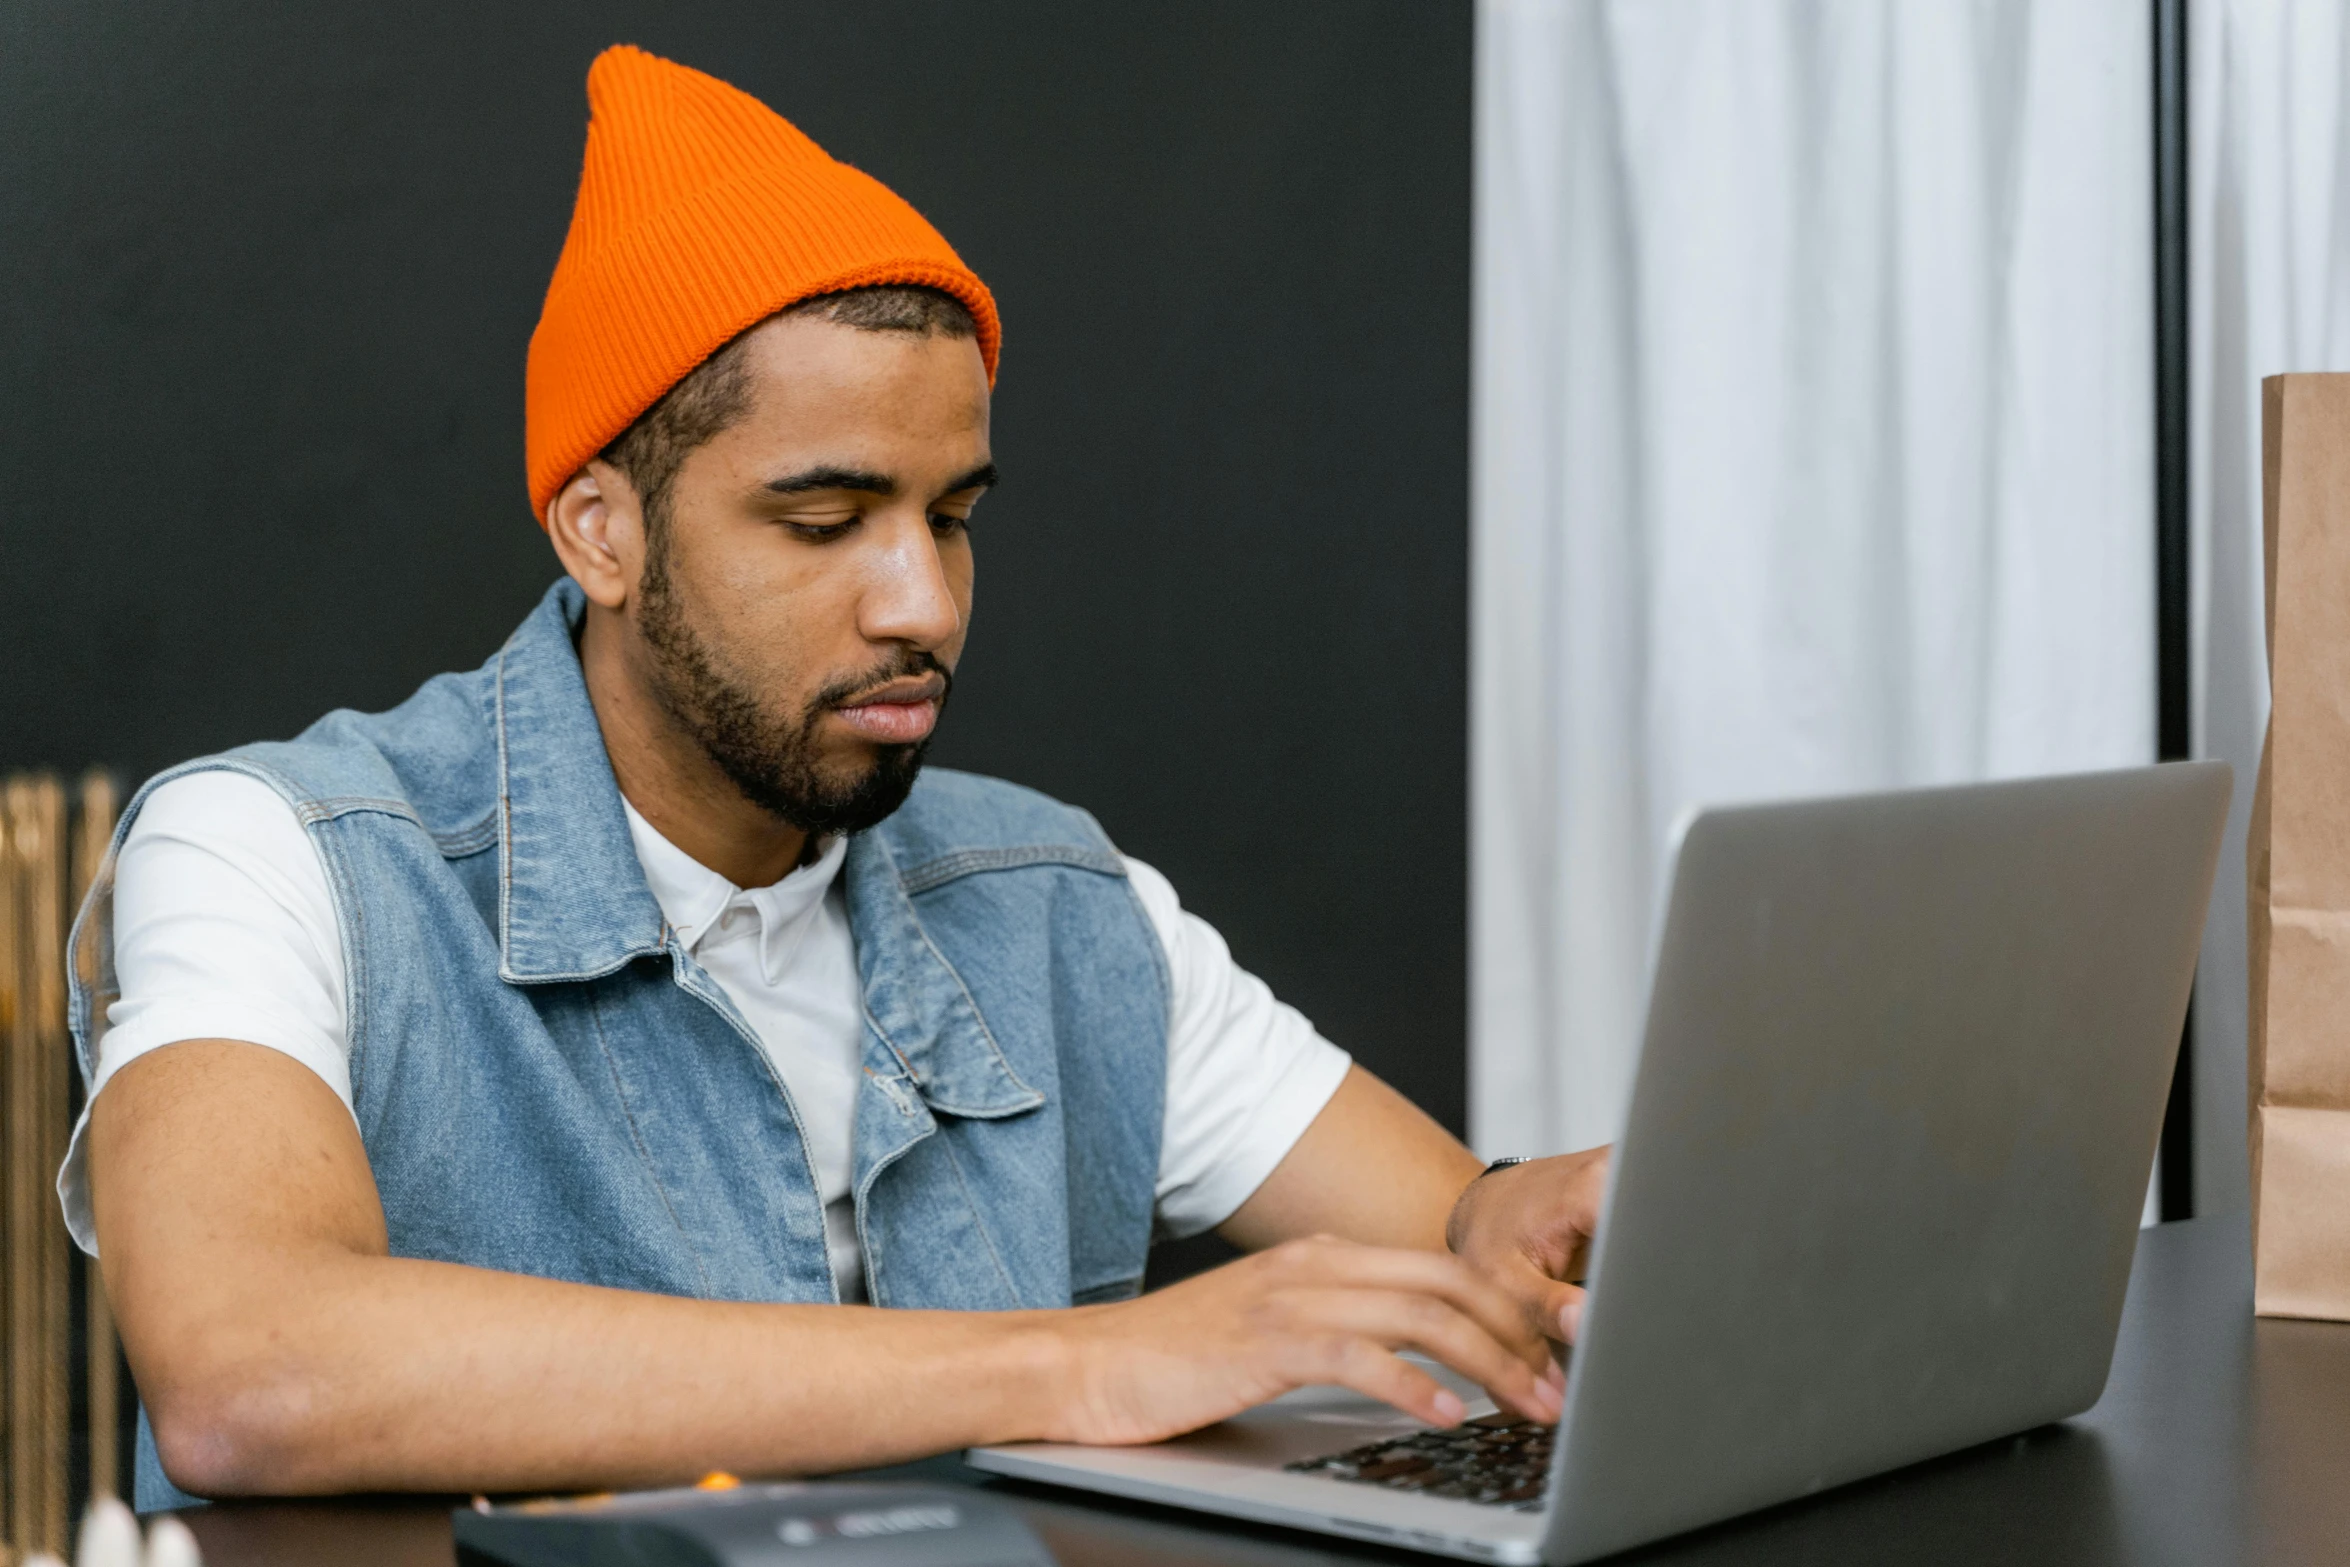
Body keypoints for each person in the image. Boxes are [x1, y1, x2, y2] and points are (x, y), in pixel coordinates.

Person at [64, 45, 1609, 1512]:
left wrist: (1517, 1222)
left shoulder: (1057, 904)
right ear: (599, 528)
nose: (922, 606)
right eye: (823, 521)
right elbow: (247, 1367)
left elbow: (1460, 1232)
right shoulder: (276, 849)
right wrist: (1079, 1363)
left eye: (951, 516)